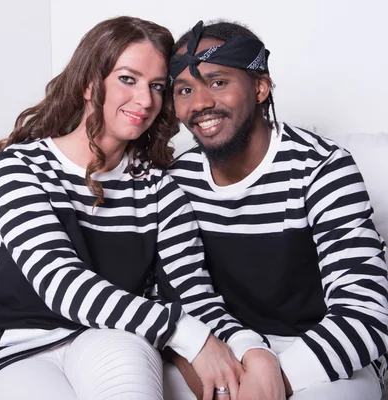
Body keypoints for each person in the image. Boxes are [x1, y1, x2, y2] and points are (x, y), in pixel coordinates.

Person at [0, 16, 252, 400]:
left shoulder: (158, 187)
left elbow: (192, 292)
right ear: (90, 83)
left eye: (157, 86)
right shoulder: (21, 167)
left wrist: (250, 349)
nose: (145, 100)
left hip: (108, 337)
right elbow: (60, 282)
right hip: (9, 348)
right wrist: (187, 334)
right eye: (128, 79)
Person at [163, 19, 388, 399]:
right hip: (224, 351)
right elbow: (182, 300)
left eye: (218, 82)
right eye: (185, 89)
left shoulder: (321, 168)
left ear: (260, 87)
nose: (200, 103)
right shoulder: (177, 180)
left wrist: (270, 380)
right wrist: (237, 367)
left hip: (322, 358)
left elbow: (366, 313)